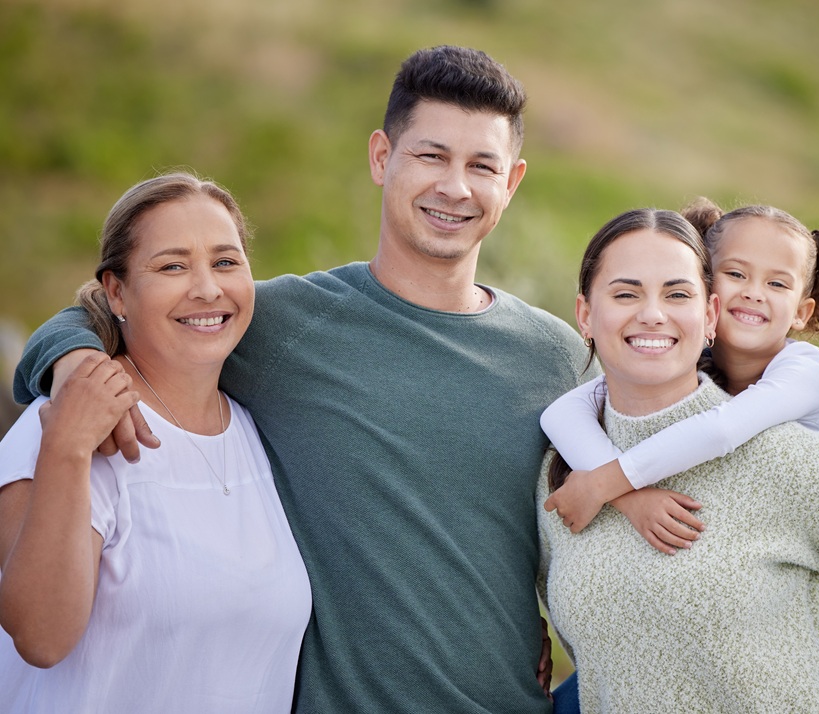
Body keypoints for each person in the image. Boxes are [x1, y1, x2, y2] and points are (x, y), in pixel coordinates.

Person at [13, 47, 591, 713]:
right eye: (431, 155)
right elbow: (100, 310)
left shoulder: (555, 356)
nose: (454, 186)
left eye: (481, 165)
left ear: (511, 181)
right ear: (382, 157)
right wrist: (79, 366)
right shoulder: (279, 322)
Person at [537, 208, 819, 712]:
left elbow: (723, 430)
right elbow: (562, 410)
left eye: (776, 283)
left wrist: (603, 484)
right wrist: (629, 498)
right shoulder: (681, 360)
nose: (753, 293)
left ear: (803, 311)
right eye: (737, 273)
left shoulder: (801, 372)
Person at [0, 172, 312, 713]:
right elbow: (40, 638)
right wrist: (68, 449)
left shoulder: (257, 430)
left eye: (225, 261)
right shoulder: (64, 423)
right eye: (172, 265)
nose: (208, 288)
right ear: (116, 291)